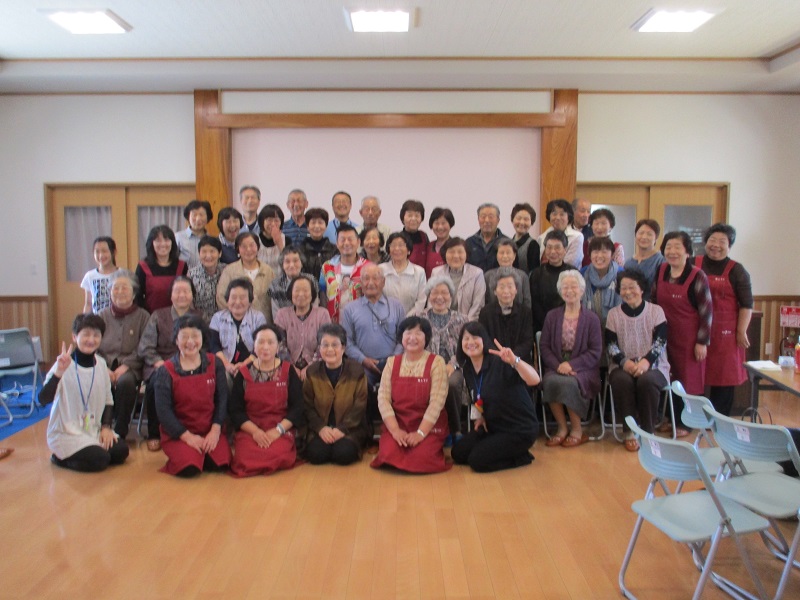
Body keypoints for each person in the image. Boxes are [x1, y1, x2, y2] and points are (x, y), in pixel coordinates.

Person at [40, 314, 129, 472]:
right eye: (86, 334)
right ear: (74, 337)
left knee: (121, 451)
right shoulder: (64, 364)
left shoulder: (101, 364)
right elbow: (43, 399)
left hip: (91, 429)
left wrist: (106, 428)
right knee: (100, 459)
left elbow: (108, 400)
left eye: (96, 335)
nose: (91, 340)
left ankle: (92, 450)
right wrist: (58, 373)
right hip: (66, 433)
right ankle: (59, 458)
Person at [452, 322, 540, 472]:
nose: (470, 342)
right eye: (466, 338)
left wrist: (515, 361)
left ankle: (522, 456)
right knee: (458, 453)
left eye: (475, 337)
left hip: (519, 429)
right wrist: (481, 417)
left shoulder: (501, 362)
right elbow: (477, 397)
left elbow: (535, 380)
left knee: (477, 461)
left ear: (484, 340)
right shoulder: (468, 369)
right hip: (494, 426)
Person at [651, 230, 712, 437]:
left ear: (688, 252)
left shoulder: (697, 275)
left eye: (678, 247)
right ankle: (672, 419)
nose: (672, 251)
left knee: (688, 381)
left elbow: (706, 311)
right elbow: (653, 301)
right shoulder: (661, 270)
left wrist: (702, 341)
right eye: (668, 247)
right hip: (664, 336)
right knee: (669, 377)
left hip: (689, 339)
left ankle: (687, 423)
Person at [371, 317, 451, 473]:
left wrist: (420, 433)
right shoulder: (391, 362)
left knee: (422, 458)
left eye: (418, 333)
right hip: (399, 423)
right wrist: (395, 430)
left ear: (426, 338)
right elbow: (383, 399)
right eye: (408, 333)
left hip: (428, 426)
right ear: (401, 337)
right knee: (388, 454)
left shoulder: (437, 362)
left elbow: (437, 403)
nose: (412, 338)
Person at [154, 314, 231, 477]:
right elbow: (163, 411)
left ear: (203, 338)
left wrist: (215, 430)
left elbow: (222, 398)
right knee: (189, 468)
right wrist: (187, 437)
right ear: (176, 340)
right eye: (184, 337)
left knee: (221, 464)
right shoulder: (165, 371)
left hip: (209, 429)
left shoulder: (215, 363)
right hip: (180, 433)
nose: (190, 342)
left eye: (195, 336)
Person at [605, 269, 670, 451]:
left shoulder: (656, 311)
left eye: (632, 287)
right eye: (623, 288)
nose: (627, 291)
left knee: (646, 380)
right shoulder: (613, 314)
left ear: (641, 289)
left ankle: (648, 431)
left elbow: (660, 342)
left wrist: (645, 362)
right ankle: (629, 431)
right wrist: (624, 362)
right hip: (622, 365)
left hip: (654, 365)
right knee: (621, 380)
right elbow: (611, 345)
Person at [138, 276, 204, 451]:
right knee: (156, 382)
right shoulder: (158, 315)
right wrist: (159, 363)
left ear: (192, 295)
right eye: (177, 291)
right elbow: (145, 347)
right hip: (162, 363)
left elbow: (204, 345)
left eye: (186, 291)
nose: (182, 295)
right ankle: (154, 433)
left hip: (192, 362)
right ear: (171, 295)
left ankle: (194, 429)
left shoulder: (200, 316)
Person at [228, 324, 303, 477]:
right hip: (251, 429)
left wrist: (278, 430)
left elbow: (298, 407)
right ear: (254, 346)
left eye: (270, 342)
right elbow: (236, 410)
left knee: (278, 454)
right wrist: (255, 432)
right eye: (260, 342)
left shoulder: (288, 370)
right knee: (245, 458)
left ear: (278, 346)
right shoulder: (243, 373)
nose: (265, 347)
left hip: (280, 428)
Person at [540, 270, 602, 448]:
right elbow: (544, 346)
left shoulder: (592, 318)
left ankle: (577, 430)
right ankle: (561, 428)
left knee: (570, 383)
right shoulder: (552, 316)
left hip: (584, 368)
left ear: (582, 290)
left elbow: (595, 351)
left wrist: (571, 365)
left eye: (574, 286)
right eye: (565, 287)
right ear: (560, 291)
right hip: (557, 365)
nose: (569, 290)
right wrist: (558, 365)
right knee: (550, 381)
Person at [696, 223, 752, 416]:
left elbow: (747, 304)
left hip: (726, 335)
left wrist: (741, 331)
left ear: (729, 246)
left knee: (724, 379)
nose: (716, 245)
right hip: (698, 330)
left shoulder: (737, 270)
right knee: (695, 376)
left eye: (722, 241)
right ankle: (694, 419)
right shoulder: (694, 263)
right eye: (712, 240)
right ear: (705, 242)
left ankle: (720, 420)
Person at [303, 323, 369, 465]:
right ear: (319, 348)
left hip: (351, 428)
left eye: (335, 345)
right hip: (321, 427)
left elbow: (360, 406)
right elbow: (307, 405)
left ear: (343, 347)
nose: (330, 349)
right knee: (316, 454)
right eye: (325, 345)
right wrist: (320, 428)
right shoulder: (312, 372)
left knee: (343, 454)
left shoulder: (356, 371)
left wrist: (342, 429)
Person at [97, 271, 150, 440]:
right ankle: (99, 428)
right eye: (115, 288)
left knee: (125, 382)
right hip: (103, 364)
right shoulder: (101, 315)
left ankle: (120, 431)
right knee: (97, 380)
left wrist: (126, 365)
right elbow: (93, 345)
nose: (119, 292)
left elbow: (145, 346)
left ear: (134, 293)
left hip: (131, 367)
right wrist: (103, 367)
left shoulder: (143, 316)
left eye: (124, 288)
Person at [340, 264, 405, 400]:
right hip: (362, 366)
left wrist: (393, 360)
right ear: (360, 283)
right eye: (366, 278)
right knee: (358, 392)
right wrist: (363, 360)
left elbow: (403, 338)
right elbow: (347, 342)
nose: (370, 283)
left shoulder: (396, 306)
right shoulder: (349, 309)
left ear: (383, 282)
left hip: (394, 364)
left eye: (375, 278)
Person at [419, 276, 469, 441]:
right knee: (425, 383)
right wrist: (434, 367)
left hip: (455, 367)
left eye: (444, 293)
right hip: (427, 366)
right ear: (428, 295)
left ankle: (455, 430)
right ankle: (430, 429)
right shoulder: (420, 319)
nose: (439, 297)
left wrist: (452, 365)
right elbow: (417, 347)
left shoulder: (462, 320)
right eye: (435, 293)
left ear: (451, 296)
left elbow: (466, 347)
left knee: (452, 384)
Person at [274, 274, 331, 381]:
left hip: (317, 368)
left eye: (305, 290)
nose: (301, 294)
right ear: (291, 293)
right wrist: (291, 368)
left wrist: (311, 367)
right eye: (297, 290)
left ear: (312, 294)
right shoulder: (282, 314)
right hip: (287, 369)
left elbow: (325, 344)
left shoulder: (322, 314)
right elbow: (280, 345)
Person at [210, 278, 267, 382]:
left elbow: (262, 344)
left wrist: (245, 364)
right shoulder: (217, 318)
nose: (237, 302)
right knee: (223, 377)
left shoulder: (258, 318)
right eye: (233, 297)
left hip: (252, 364)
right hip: (224, 365)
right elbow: (214, 346)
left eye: (242, 298)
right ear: (227, 300)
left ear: (250, 301)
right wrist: (227, 365)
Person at [216, 232, 275, 322]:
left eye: (252, 245)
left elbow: (273, 298)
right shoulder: (229, 270)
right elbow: (221, 297)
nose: (248, 249)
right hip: (236, 323)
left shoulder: (267, 271)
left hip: (264, 322)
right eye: (243, 246)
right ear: (238, 249)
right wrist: (236, 315)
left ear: (258, 247)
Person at [479, 270, 534, 362]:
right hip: (494, 360)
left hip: (519, 360)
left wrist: (512, 355)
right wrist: (501, 355)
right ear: (494, 291)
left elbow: (528, 341)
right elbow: (484, 340)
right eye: (501, 287)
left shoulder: (525, 312)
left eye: (510, 286)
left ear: (516, 290)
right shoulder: (485, 313)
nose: (506, 291)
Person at [320, 224, 370, 323]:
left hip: (360, 322)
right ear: (337, 244)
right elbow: (322, 294)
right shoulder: (327, 267)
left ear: (358, 242)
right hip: (332, 323)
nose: (346, 243)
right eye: (342, 240)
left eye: (350, 239)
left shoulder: (368, 267)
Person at [529, 230, 577, 333]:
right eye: (549, 247)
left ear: (565, 250)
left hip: (568, 326)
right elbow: (535, 303)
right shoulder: (536, 274)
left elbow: (576, 301)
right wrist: (548, 322)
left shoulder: (573, 273)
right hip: (542, 326)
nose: (553, 251)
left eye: (557, 247)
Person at [135, 225, 188, 313]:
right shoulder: (143, 266)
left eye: (166, 239)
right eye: (158, 240)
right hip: (151, 316)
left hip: (178, 316)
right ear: (151, 243)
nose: (163, 244)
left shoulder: (182, 266)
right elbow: (137, 296)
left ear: (172, 242)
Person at [431, 237, 486, 321]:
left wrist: (465, 324)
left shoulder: (477, 274)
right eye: (451, 252)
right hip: (440, 322)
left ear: (466, 254)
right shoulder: (436, 272)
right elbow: (432, 301)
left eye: (460, 252)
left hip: (468, 323)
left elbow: (478, 304)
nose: (456, 256)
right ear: (445, 254)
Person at [380, 231, 427, 317]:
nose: (397, 248)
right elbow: (377, 297)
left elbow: (421, 301)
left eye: (401, 245)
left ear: (408, 250)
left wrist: (407, 319)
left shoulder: (419, 272)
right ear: (389, 250)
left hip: (412, 321)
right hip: (385, 319)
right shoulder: (380, 270)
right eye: (393, 245)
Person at [581, 236, 622, 330]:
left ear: (612, 255)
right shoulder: (583, 274)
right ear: (589, 255)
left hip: (615, 328)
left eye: (604, 252)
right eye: (595, 251)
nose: (599, 256)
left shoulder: (621, 274)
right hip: (589, 328)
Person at [268, 246, 318, 321]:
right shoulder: (275, 284)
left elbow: (315, 309)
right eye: (287, 261)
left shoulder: (312, 280)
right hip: (284, 325)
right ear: (282, 265)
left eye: (295, 261)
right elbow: (276, 316)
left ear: (301, 263)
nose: (291, 265)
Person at [623, 219, 665, 300]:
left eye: (649, 234)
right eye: (641, 233)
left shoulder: (661, 261)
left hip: (652, 305)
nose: (644, 237)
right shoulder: (628, 263)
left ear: (656, 238)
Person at [484, 239, 531, 308]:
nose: (505, 256)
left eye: (508, 253)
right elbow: (485, 300)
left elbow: (527, 302)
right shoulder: (488, 276)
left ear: (514, 255)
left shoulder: (523, 276)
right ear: (496, 255)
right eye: (501, 253)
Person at [537, 199, 584, 269]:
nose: (558, 218)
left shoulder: (577, 237)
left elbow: (571, 264)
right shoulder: (542, 237)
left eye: (562, 214)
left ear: (568, 217)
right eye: (554, 214)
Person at [188, 235, 224, 322]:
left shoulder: (226, 271)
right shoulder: (191, 274)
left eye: (212, 251)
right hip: (199, 321)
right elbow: (189, 303)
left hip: (223, 321)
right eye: (204, 251)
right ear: (199, 253)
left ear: (220, 253)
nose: (208, 256)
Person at [81, 236, 120, 314]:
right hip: (97, 319)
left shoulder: (123, 274)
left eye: (104, 251)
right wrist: (85, 319)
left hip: (118, 318)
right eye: (97, 252)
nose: (101, 255)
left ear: (114, 252)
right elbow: (88, 303)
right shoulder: (90, 276)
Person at [466, 203, 509, 271]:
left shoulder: (507, 242)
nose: (486, 220)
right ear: (478, 219)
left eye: (491, 217)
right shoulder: (469, 242)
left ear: (498, 220)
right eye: (483, 217)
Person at [300, 207, 339, 281]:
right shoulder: (300, 250)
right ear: (307, 226)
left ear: (326, 226)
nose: (317, 226)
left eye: (320, 223)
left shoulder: (334, 250)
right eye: (313, 223)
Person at [174, 199, 213, 269]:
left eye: (201, 215)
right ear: (188, 217)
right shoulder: (178, 237)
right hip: (183, 275)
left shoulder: (212, 240)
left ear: (208, 217)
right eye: (194, 215)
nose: (198, 219)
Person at [509, 202, 540, 276]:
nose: (522, 222)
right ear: (512, 219)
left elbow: (534, 272)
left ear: (531, 222)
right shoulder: (508, 243)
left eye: (526, 219)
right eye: (518, 218)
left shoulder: (533, 245)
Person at [256, 204, 287, 275]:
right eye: (269, 220)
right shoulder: (254, 240)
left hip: (280, 279)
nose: (273, 224)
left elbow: (289, 262)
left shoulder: (287, 239)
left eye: (276, 220)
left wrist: (280, 243)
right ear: (262, 221)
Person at [399, 199, 429, 269]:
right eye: (410, 215)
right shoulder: (398, 238)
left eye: (417, 216)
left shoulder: (424, 236)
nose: (413, 219)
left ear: (421, 219)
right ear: (403, 218)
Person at [425, 207, 454, 278]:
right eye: (436, 223)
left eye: (443, 223)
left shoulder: (456, 246)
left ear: (450, 224)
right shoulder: (428, 246)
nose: (440, 227)